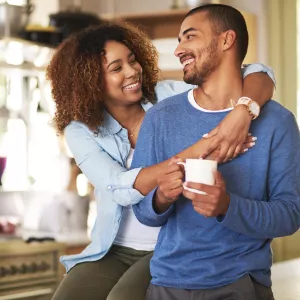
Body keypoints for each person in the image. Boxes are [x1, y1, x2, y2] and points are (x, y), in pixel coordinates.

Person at [46, 21, 275, 300]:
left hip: (167, 246)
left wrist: (242, 112)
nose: (132, 71)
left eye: (132, 60)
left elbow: (258, 73)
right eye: (116, 68)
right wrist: (206, 145)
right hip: (112, 248)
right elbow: (119, 187)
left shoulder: (169, 96)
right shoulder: (80, 130)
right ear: (90, 81)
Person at [132, 4, 300, 300]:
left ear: (226, 40)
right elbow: (143, 212)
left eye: (189, 37)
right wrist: (161, 197)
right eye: (179, 40)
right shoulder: (160, 118)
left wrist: (226, 205)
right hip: (167, 285)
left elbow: (290, 215)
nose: (179, 49)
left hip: (242, 284)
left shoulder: (278, 122)